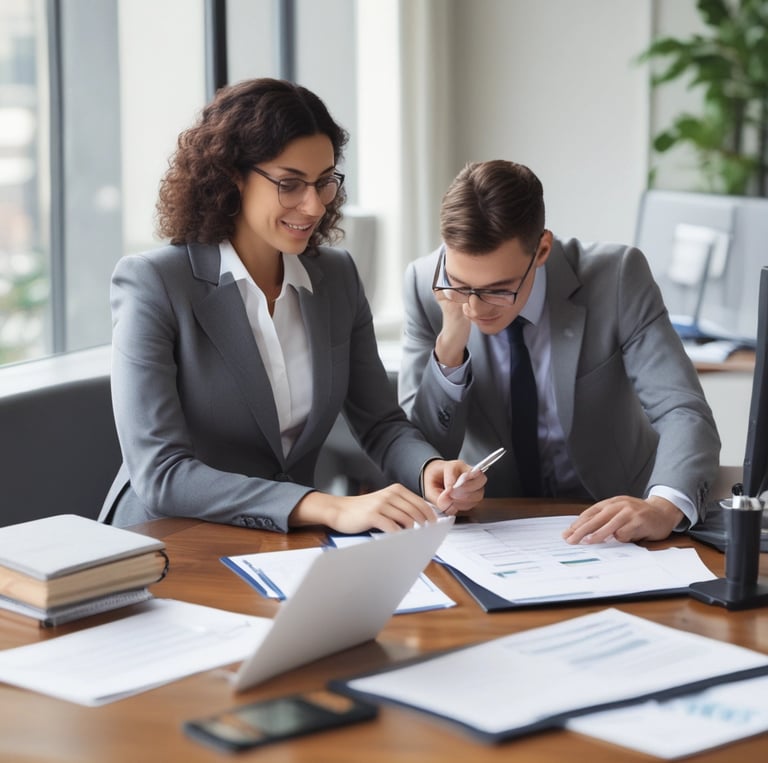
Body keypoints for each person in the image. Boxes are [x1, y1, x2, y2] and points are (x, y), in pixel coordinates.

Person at [99, 77, 485, 534]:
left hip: (282, 546)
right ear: (230, 176)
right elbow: (161, 474)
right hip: (169, 543)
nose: (314, 205)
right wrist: (329, 507)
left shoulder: (336, 278)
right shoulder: (155, 283)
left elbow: (380, 424)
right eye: (290, 184)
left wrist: (428, 469)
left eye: (324, 183)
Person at [399, 159, 720, 544]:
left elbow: (682, 410)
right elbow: (420, 445)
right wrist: (451, 342)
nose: (477, 308)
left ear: (542, 249)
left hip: (617, 519)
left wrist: (663, 506)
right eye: (461, 283)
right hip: (495, 524)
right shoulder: (425, 285)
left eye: (500, 289)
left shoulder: (617, 276)